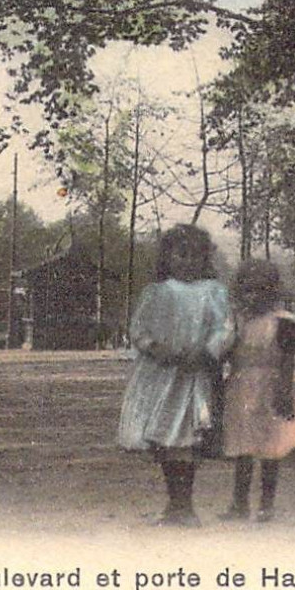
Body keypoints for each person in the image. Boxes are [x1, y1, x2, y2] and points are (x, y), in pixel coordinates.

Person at [118, 224, 235, 526]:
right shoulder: (156, 292)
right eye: (180, 255)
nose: (187, 261)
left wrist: (207, 351)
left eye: (195, 255)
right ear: (167, 257)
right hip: (161, 376)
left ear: (205, 258)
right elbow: (139, 329)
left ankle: (186, 505)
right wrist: (156, 348)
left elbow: (225, 328)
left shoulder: (214, 292)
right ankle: (174, 503)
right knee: (164, 441)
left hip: (193, 376)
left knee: (185, 440)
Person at [220, 259, 295, 522]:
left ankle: (266, 504)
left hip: (270, 387)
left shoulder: (282, 323)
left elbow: (286, 360)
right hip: (241, 389)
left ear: (273, 291)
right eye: (248, 290)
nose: (255, 296)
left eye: (262, 289)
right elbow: (226, 353)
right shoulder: (237, 323)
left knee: (272, 447)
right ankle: (239, 503)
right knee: (243, 446)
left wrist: (285, 390)